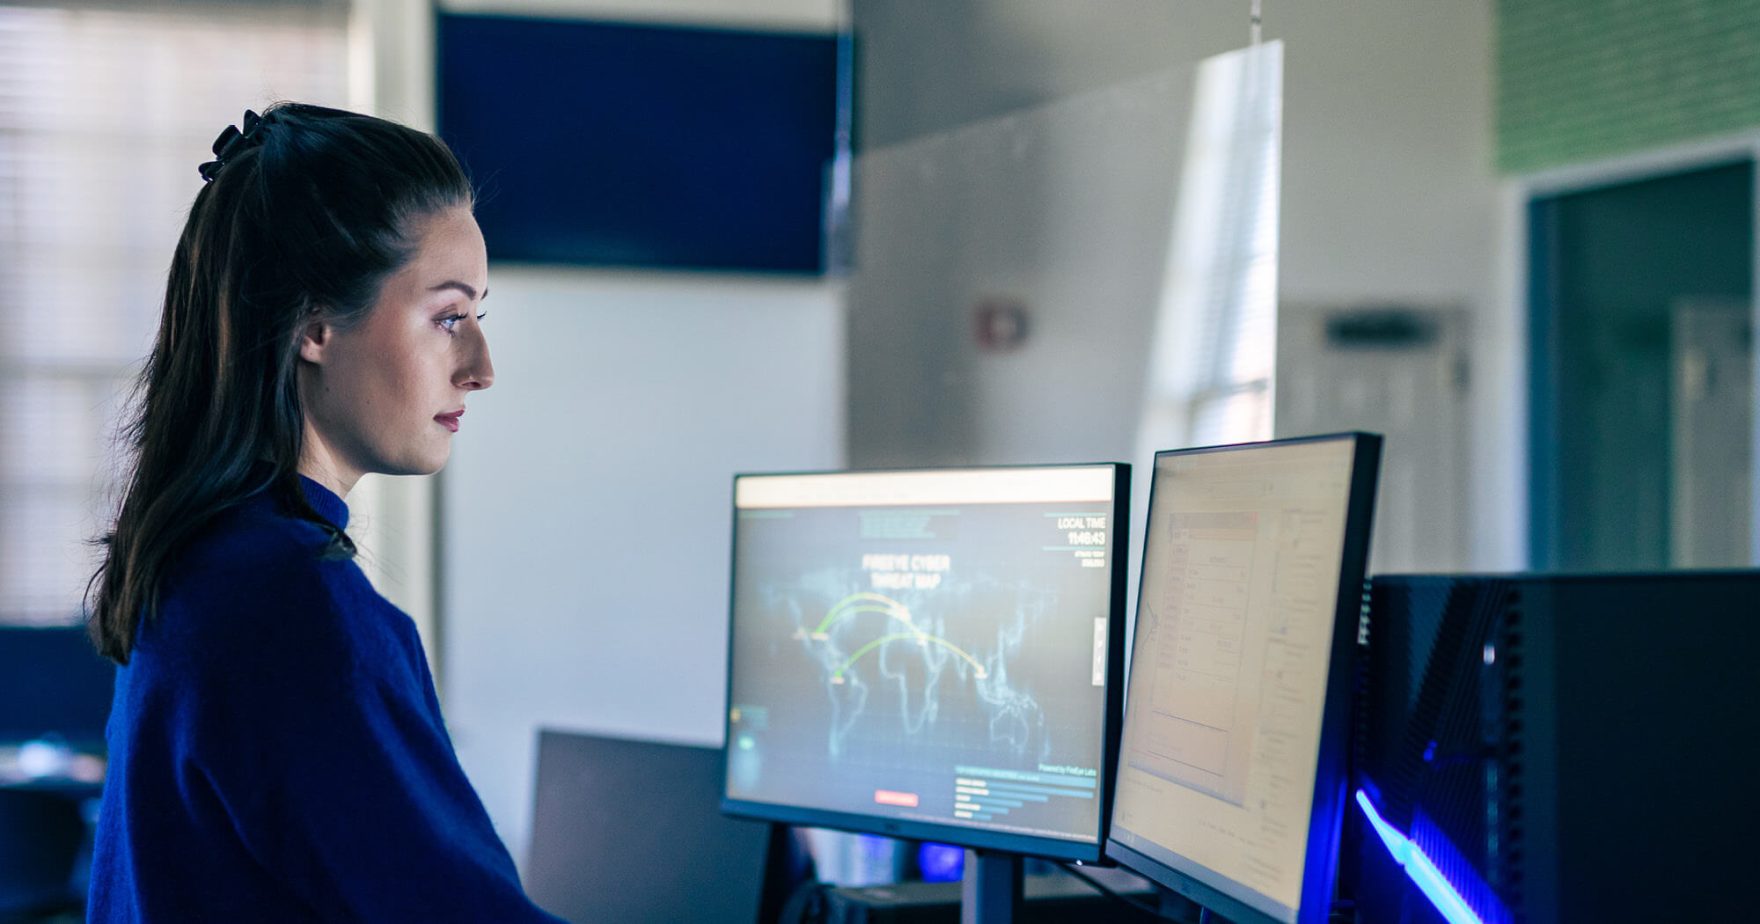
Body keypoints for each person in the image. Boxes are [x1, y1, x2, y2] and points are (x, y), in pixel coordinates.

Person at [84, 103, 564, 922]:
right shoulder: (292, 608)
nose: (481, 367)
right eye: (449, 317)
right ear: (314, 325)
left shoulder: (202, 561)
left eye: (480, 317)